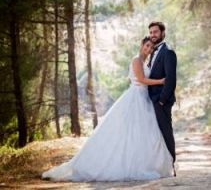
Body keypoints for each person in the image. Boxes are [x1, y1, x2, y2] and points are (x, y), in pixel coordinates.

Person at [41, 37, 173, 182]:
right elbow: (141, 80)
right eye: (147, 46)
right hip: (135, 97)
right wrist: (160, 81)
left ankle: (143, 162)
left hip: (143, 97)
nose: (148, 49)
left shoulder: (145, 62)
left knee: (141, 132)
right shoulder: (136, 60)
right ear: (142, 45)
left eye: (151, 48)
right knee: (128, 132)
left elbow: (136, 79)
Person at [147, 22, 177, 176]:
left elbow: (171, 79)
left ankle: (171, 164)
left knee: (166, 132)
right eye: (151, 32)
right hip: (152, 100)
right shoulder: (153, 52)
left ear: (163, 33)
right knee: (157, 133)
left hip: (161, 101)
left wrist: (162, 100)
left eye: (156, 32)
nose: (153, 35)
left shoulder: (168, 51)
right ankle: (160, 164)